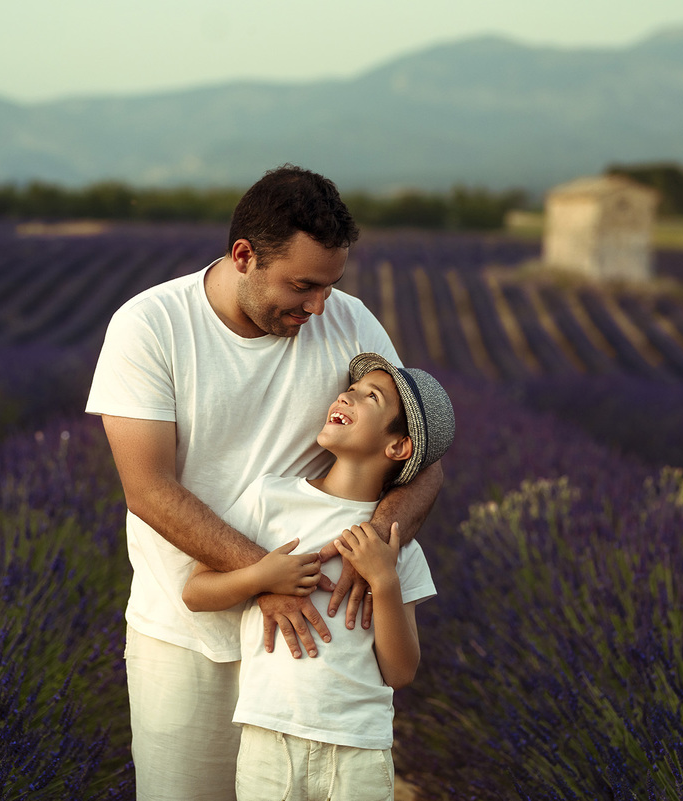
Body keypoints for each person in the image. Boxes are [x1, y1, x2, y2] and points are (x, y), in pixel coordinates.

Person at [85, 165, 444, 800]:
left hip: (313, 649)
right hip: (186, 631)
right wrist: (264, 579)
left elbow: (422, 460)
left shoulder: (352, 322)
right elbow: (148, 489)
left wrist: (371, 557)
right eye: (303, 286)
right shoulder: (150, 327)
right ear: (244, 255)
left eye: (330, 287)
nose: (318, 307)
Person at [183, 353, 454, 801]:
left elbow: (401, 671)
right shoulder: (271, 497)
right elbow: (196, 592)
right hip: (270, 735)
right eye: (352, 387)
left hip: (360, 749)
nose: (348, 393)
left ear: (398, 447)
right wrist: (260, 576)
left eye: (372, 397)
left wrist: (383, 580)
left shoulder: (396, 547)